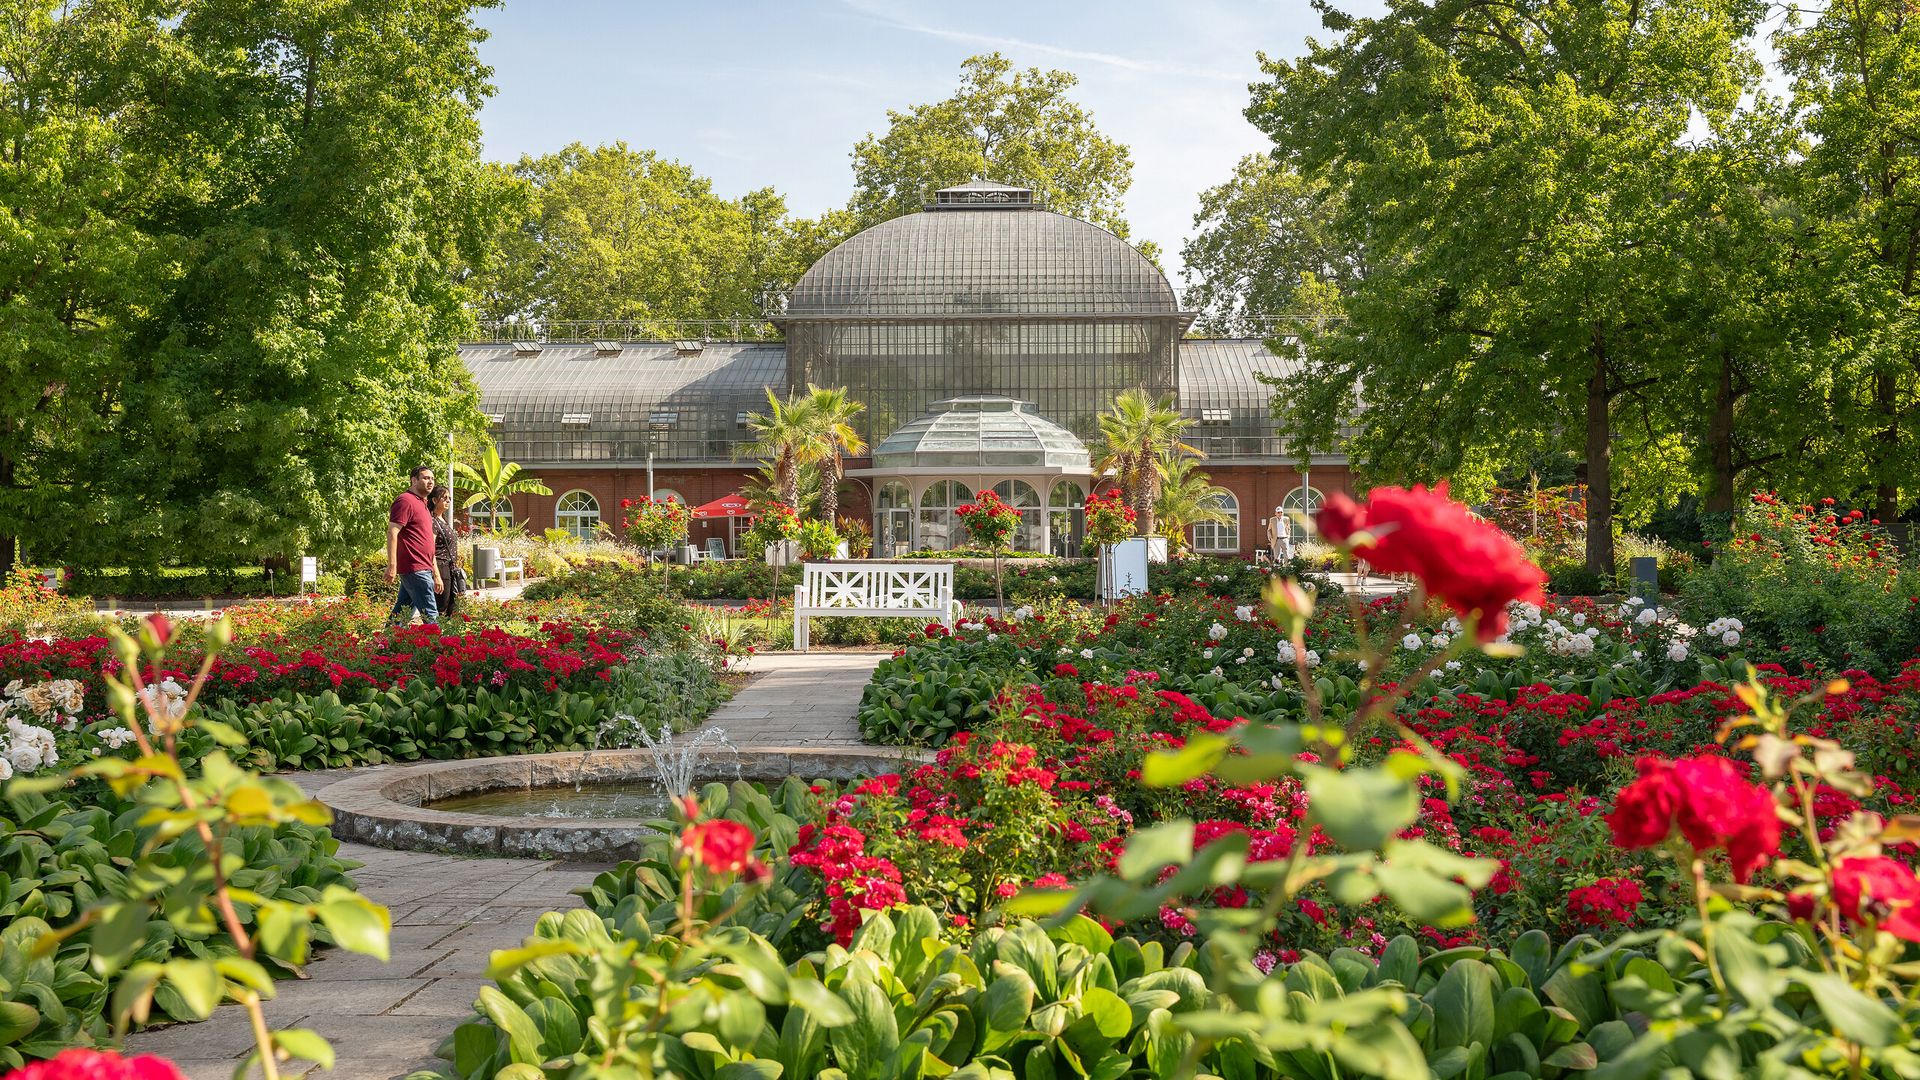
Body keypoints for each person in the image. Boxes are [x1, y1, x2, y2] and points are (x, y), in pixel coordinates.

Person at [387, 466, 441, 625]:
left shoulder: (422, 503)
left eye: (432, 478)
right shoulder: (405, 500)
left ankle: (385, 644)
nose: (430, 481)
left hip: (421, 566)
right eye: (425, 478)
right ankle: (442, 648)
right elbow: (392, 532)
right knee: (431, 615)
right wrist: (392, 565)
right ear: (414, 480)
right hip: (415, 567)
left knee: (401, 614)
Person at [427, 484, 464, 617]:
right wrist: (436, 575)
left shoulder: (443, 520)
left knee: (452, 607)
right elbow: (430, 549)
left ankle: (448, 636)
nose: (448, 501)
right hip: (441, 566)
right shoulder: (432, 521)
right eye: (444, 498)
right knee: (441, 607)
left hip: (450, 568)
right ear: (435, 500)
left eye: (449, 498)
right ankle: (437, 634)